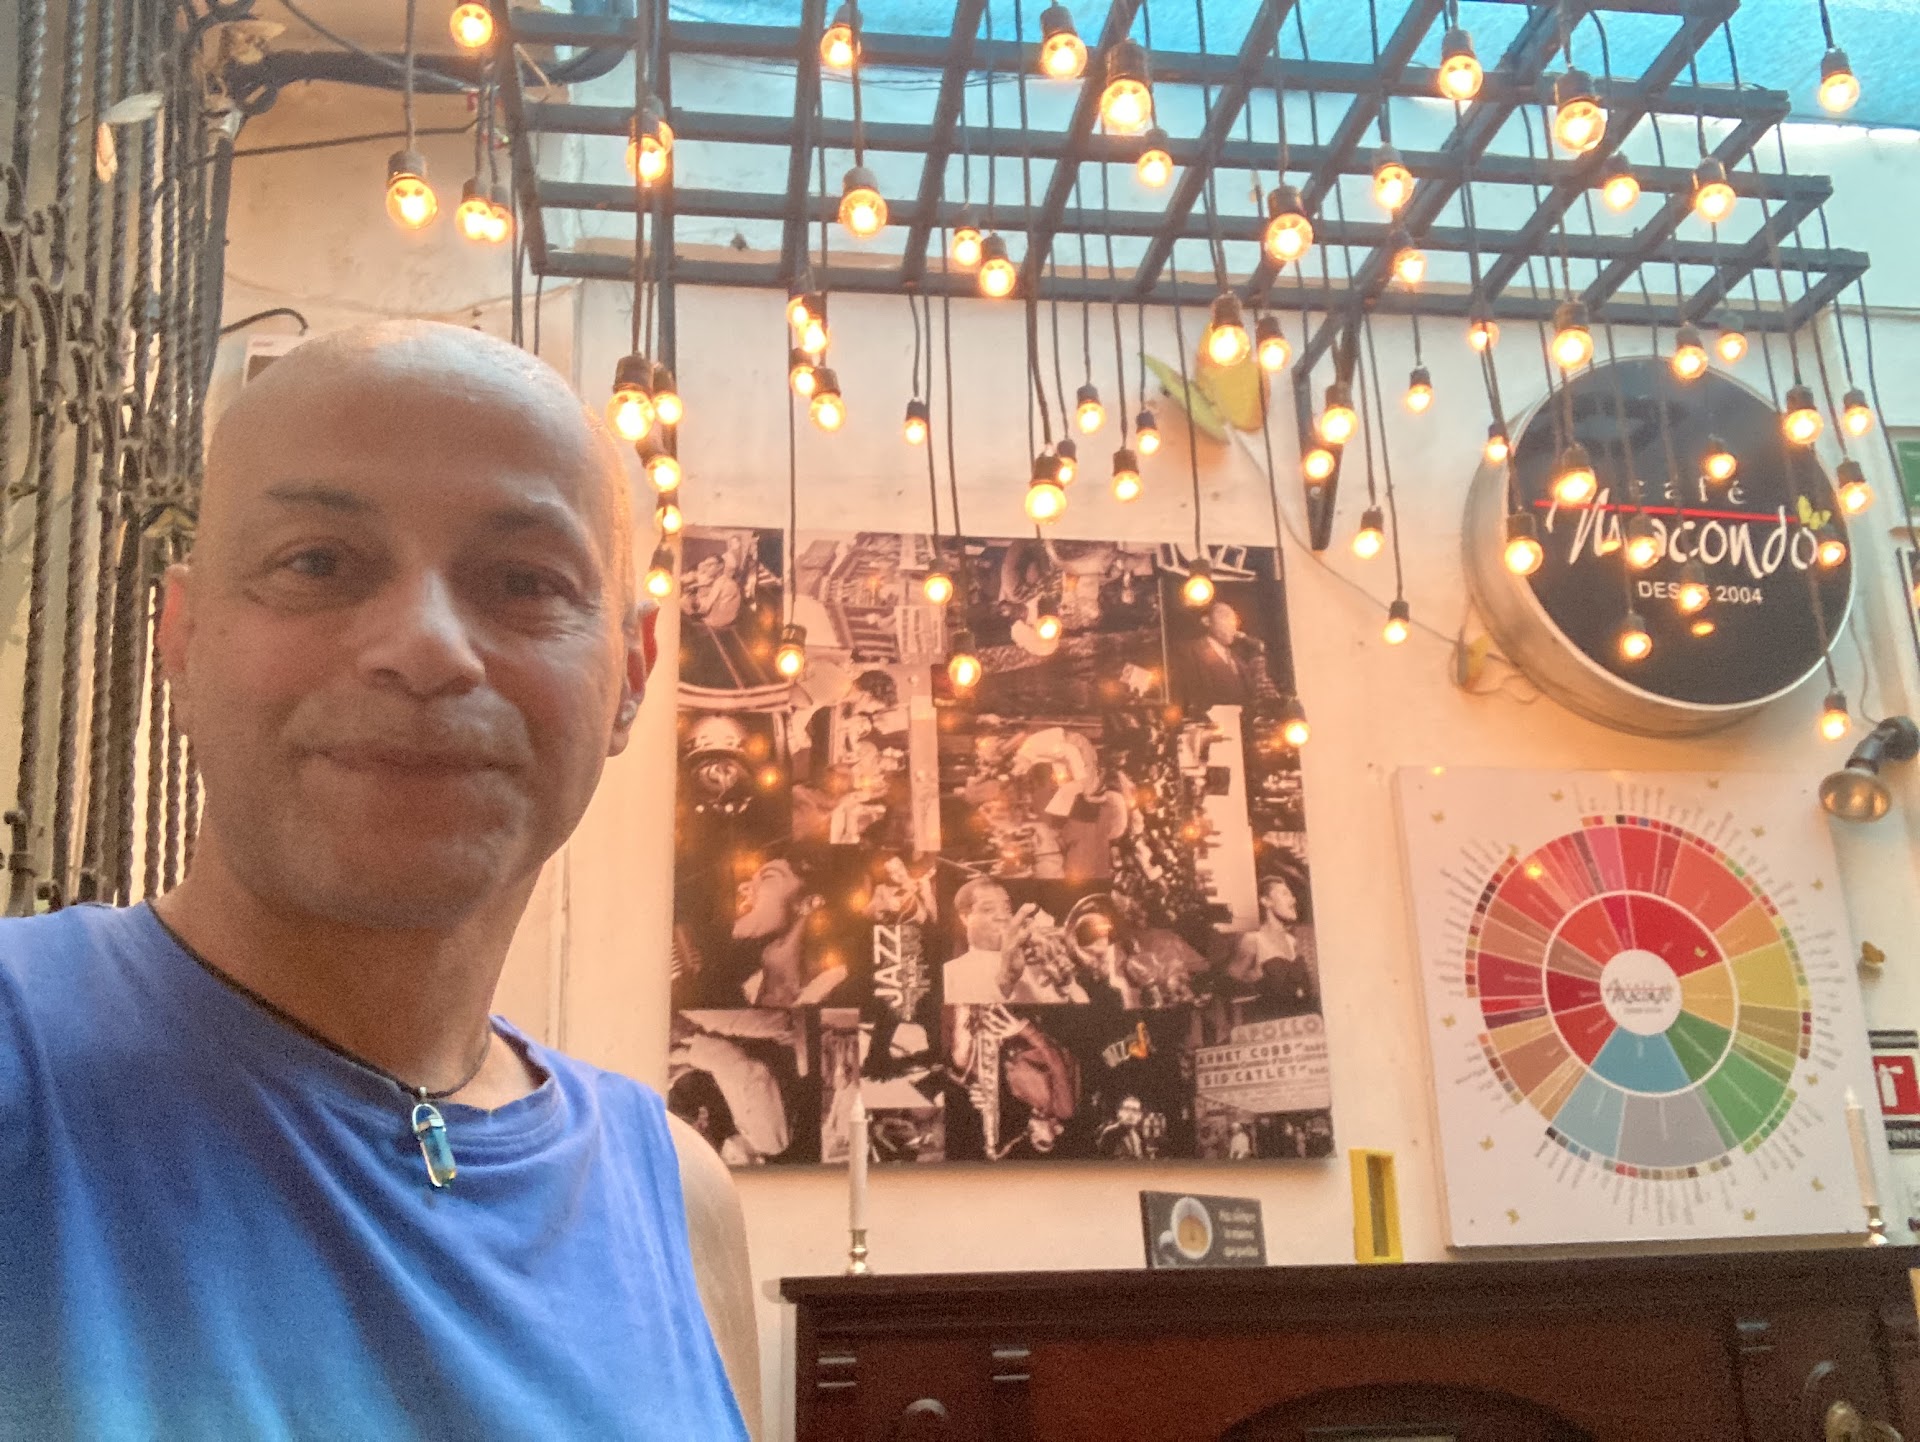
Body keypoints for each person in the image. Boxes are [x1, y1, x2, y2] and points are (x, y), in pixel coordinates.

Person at [0, 323, 757, 1438]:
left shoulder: (681, 1208)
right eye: (317, 562)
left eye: (524, 581)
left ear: (632, 676)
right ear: (184, 635)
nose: (426, 645)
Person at [733, 842, 849, 1007]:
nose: (743, 888)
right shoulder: (747, 990)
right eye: (752, 880)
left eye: (769, 880)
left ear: (809, 903)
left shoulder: (838, 992)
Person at [1175, 600, 1267, 711]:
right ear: (1207, 621)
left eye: (1234, 619)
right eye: (1225, 616)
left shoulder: (1238, 660)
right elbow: (1190, 694)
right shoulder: (1191, 651)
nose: (1232, 624)